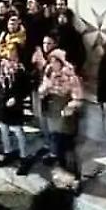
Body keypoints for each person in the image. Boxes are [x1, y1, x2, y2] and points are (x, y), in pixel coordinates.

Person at [38, 49, 84, 180]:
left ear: (61, 62)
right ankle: (63, 176)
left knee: (67, 146)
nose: (53, 64)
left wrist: (69, 108)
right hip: (52, 113)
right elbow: (41, 91)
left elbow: (78, 98)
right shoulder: (49, 74)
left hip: (65, 116)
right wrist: (45, 89)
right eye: (51, 61)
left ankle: (74, 177)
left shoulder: (70, 77)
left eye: (55, 61)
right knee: (56, 145)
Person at [0, 54, 34, 175]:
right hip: (4, 103)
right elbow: (0, 85)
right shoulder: (3, 71)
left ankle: (24, 157)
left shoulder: (21, 73)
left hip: (15, 105)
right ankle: (8, 152)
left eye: (12, 60)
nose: (9, 62)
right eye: (8, 60)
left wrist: (17, 98)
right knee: (3, 129)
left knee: (18, 130)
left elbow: (27, 88)